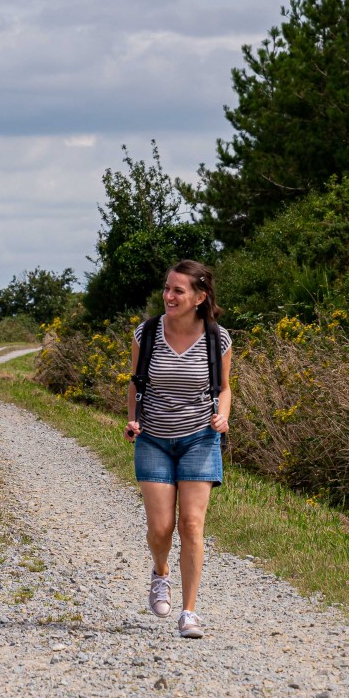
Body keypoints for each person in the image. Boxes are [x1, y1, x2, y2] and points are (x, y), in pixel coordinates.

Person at [124, 260, 232, 639]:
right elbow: (136, 383)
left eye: (178, 291)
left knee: (191, 525)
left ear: (199, 297)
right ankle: (160, 572)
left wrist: (222, 416)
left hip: (200, 439)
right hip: (153, 437)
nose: (169, 296)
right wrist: (133, 418)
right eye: (167, 289)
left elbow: (224, 388)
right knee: (161, 527)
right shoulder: (148, 332)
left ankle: (189, 612)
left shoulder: (218, 338)